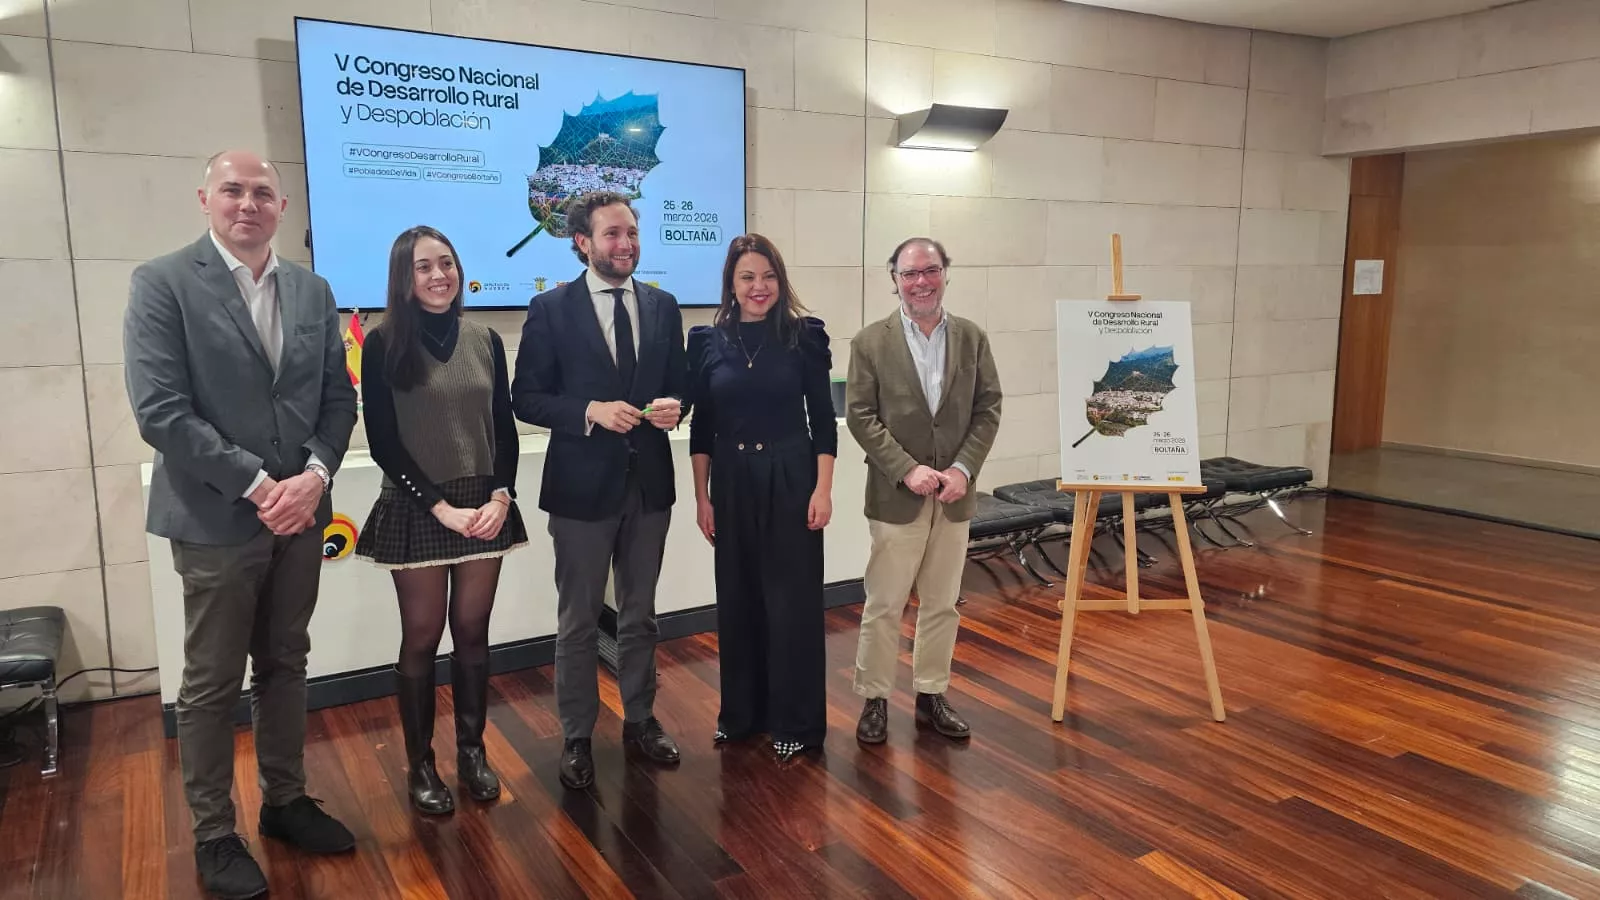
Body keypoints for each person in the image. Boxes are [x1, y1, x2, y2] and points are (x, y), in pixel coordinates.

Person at [123, 150, 358, 900]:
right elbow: (160, 411)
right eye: (233, 190)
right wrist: (262, 486)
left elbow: (336, 401)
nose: (248, 203)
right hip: (219, 517)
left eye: (263, 192)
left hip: (301, 512)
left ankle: (285, 801)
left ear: (282, 208)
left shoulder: (313, 291)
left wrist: (315, 475)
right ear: (205, 199)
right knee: (212, 685)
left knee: (286, 662)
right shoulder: (162, 284)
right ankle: (214, 834)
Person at [511, 191, 687, 789]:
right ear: (581, 242)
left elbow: (680, 389)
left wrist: (674, 408)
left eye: (632, 232)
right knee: (579, 622)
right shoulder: (550, 309)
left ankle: (640, 720)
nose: (627, 244)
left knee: (640, 617)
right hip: (581, 491)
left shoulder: (663, 308)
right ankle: (577, 735)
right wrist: (589, 410)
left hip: (649, 488)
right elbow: (525, 398)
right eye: (613, 234)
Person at [353, 226, 528, 815]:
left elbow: (503, 428)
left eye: (446, 263)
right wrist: (440, 507)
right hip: (421, 506)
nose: (438, 276)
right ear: (404, 279)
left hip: (483, 505)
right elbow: (382, 442)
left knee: (474, 634)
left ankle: (473, 752)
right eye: (423, 267)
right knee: (423, 638)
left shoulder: (484, 339)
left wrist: (501, 497)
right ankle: (421, 764)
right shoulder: (382, 344)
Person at [845, 237, 1002, 745]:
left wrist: (964, 468)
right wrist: (906, 468)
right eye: (909, 274)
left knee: (942, 603)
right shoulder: (870, 343)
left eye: (929, 271)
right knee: (884, 603)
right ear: (894, 279)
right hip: (897, 496)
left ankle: (932, 693)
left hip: (954, 499)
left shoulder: (972, 338)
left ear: (945, 274)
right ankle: (874, 697)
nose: (920, 282)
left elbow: (988, 409)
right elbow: (861, 417)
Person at [687, 234, 836, 763]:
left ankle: (795, 722)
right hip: (731, 479)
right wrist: (702, 498)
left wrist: (823, 489)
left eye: (768, 277)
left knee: (791, 605)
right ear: (731, 282)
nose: (759, 287)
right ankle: (742, 716)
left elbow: (823, 421)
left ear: (781, 281)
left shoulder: (803, 337)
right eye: (748, 277)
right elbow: (702, 427)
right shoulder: (708, 341)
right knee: (739, 599)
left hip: (792, 476)